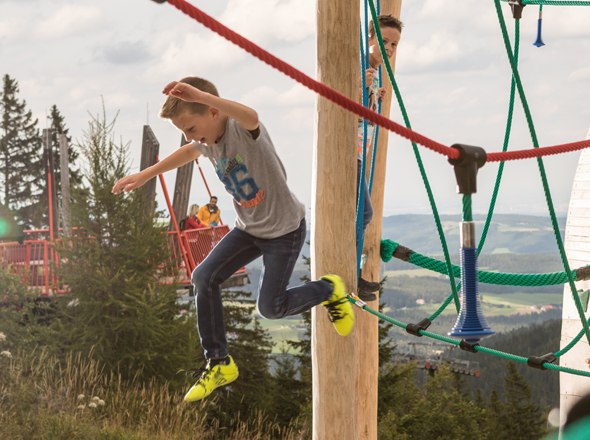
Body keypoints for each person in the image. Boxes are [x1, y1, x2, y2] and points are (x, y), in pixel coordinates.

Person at [112, 76, 354, 403]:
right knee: (203, 277)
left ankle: (329, 289)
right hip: (248, 230)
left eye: (190, 127)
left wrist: (199, 95)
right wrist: (146, 174)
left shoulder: (242, 130)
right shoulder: (206, 141)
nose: (189, 136)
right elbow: (188, 151)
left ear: (212, 112)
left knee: (271, 307)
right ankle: (219, 362)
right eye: (183, 131)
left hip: (284, 231)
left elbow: (250, 114)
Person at [356, 15, 403, 300]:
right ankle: (351, 273)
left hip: (360, 153)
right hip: (349, 154)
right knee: (364, 214)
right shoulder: (362, 68)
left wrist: (374, 96)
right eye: (383, 41)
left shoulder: (373, 72)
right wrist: (361, 86)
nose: (389, 48)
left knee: (363, 213)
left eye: (394, 44)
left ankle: (354, 273)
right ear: (369, 38)